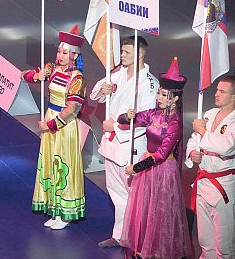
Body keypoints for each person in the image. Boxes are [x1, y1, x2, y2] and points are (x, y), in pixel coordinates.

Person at [119, 57, 193, 259]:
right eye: (159, 93)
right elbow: (127, 121)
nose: (158, 97)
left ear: (175, 99)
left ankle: (158, 250)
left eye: (163, 94)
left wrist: (136, 167)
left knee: (159, 212)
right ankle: (143, 247)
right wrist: (127, 116)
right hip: (148, 167)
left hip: (162, 169)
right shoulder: (154, 114)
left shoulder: (175, 123)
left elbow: (161, 154)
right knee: (144, 209)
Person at [89, 36, 158, 248]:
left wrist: (117, 127)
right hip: (112, 145)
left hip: (131, 146)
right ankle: (121, 235)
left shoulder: (149, 83)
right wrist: (103, 90)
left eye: (127, 52)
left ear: (140, 54)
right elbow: (94, 94)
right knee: (116, 192)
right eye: (122, 51)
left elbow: (146, 120)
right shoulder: (117, 73)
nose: (122, 55)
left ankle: (142, 237)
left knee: (135, 194)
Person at [21, 24, 87, 229]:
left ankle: (66, 212)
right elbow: (24, 75)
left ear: (74, 55)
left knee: (63, 164)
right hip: (50, 118)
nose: (60, 55)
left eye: (65, 53)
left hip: (64, 126)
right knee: (50, 163)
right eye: (59, 51)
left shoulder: (77, 79)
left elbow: (72, 109)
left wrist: (50, 125)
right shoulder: (52, 68)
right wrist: (36, 76)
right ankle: (54, 208)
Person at [186, 75, 235, 259]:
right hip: (203, 183)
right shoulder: (210, 113)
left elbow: (227, 146)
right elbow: (194, 139)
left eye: (222, 91)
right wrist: (193, 152)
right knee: (206, 241)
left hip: (223, 186)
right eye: (216, 90)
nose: (216, 94)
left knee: (224, 244)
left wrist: (203, 130)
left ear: (233, 96)